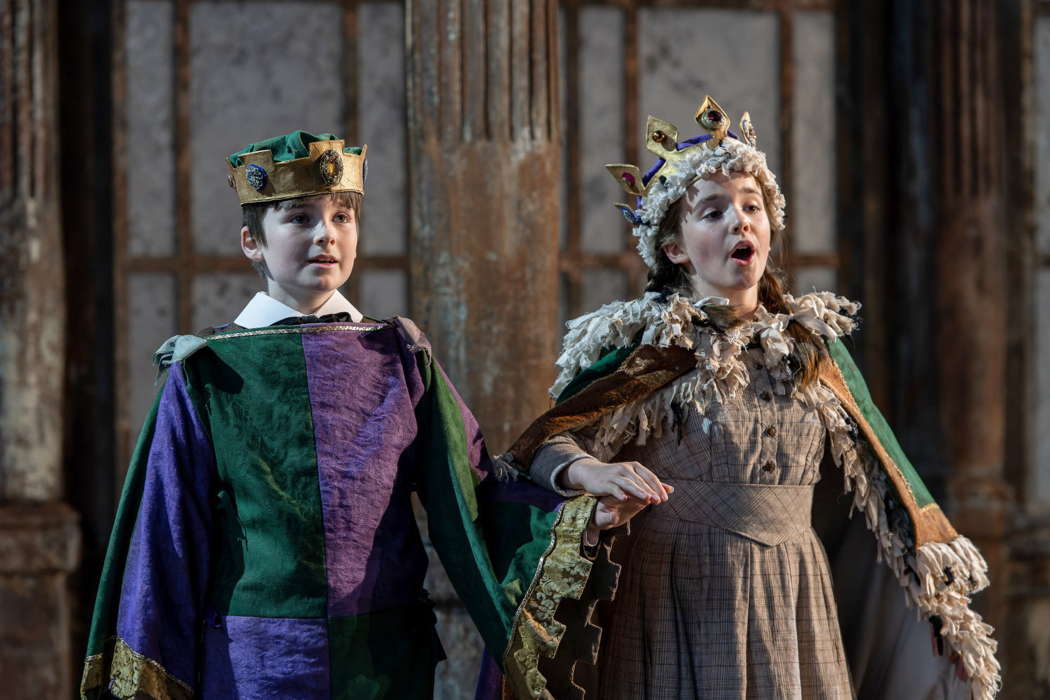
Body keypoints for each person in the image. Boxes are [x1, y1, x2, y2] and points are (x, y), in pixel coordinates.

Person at [80, 130, 630, 699]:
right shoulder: (206, 370)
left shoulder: (399, 355)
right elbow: (167, 535)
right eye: (299, 218)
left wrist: (574, 517)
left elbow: (469, 495)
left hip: (383, 657)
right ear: (252, 241)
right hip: (256, 664)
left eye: (343, 216)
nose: (326, 234)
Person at [499, 96, 1000, 699]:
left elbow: (886, 494)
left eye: (751, 206)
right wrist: (592, 471)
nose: (740, 222)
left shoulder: (814, 352)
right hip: (677, 593)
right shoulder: (647, 348)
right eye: (713, 212)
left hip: (794, 594)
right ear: (674, 248)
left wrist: (940, 623)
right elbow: (543, 443)